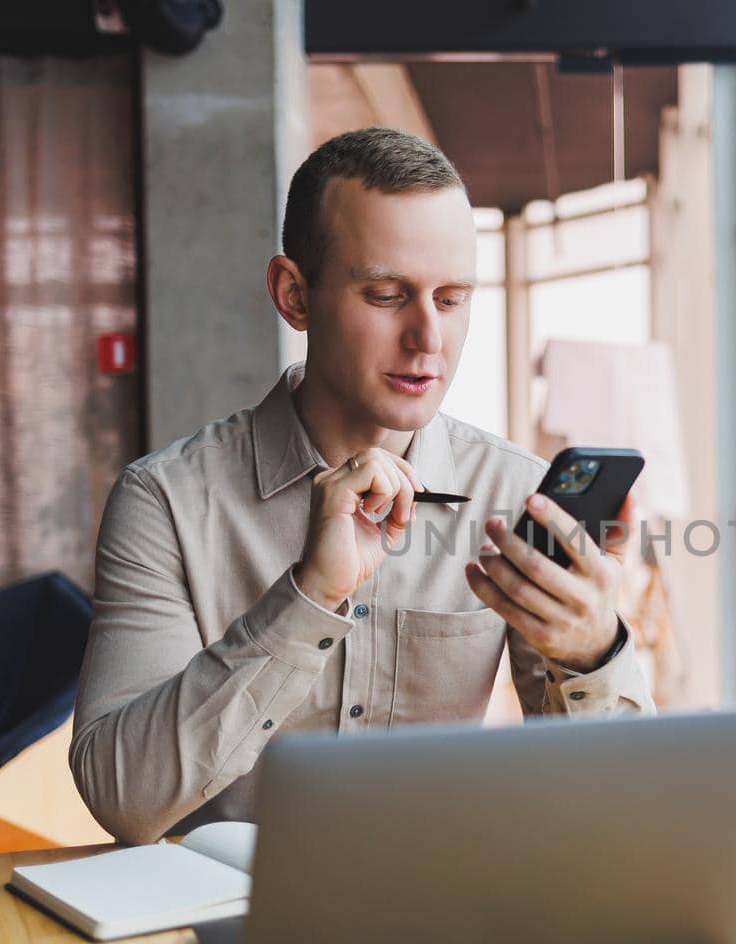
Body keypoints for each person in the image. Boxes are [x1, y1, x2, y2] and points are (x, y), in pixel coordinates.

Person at [70, 128, 653, 845]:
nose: (428, 339)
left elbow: (609, 812)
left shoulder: (513, 495)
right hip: (221, 928)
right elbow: (122, 799)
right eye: (386, 295)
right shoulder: (166, 502)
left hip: (435, 926)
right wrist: (307, 600)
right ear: (294, 294)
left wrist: (592, 651)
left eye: (452, 299)